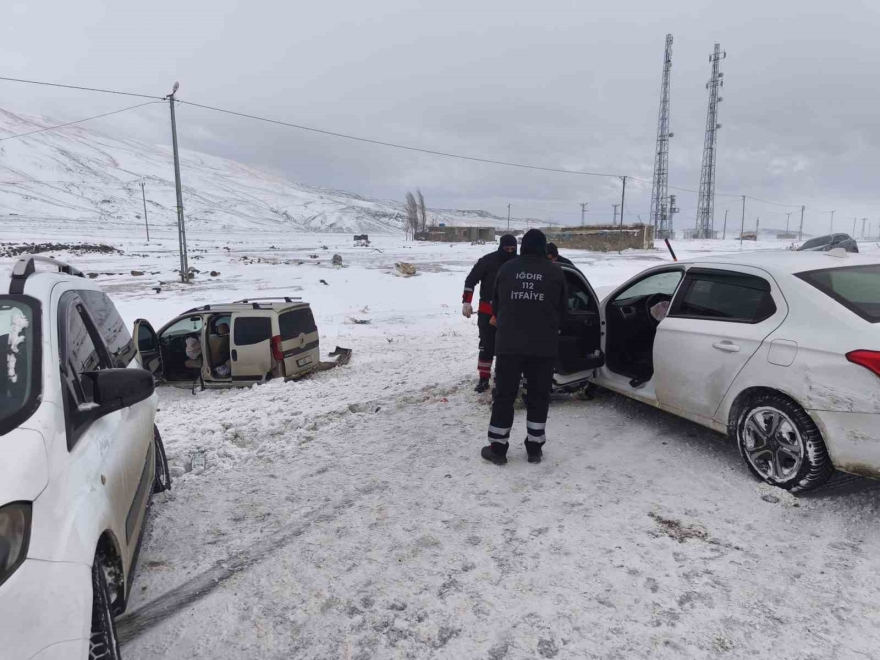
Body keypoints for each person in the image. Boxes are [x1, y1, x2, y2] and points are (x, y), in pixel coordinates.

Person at [482, 229, 567, 465]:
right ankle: (534, 448)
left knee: (504, 396)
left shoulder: (506, 269)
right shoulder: (555, 271)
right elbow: (564, 309)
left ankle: (498, 449)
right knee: (539, 396)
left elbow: (496, 306)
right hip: (543, 347)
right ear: (542, 247)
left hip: (509, 346)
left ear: (522, 246)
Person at [462, 234, 518, 393]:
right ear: (500, 247)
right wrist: (467, 301)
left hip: (511, 312)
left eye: (513, 249)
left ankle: (502, 377)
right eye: (506, 249)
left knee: (507, 347)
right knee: (487, 345)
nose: (509, 251)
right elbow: (470, 280)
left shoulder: (519, 263)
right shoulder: (487, 261)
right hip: (487, 311)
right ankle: (483, 378)